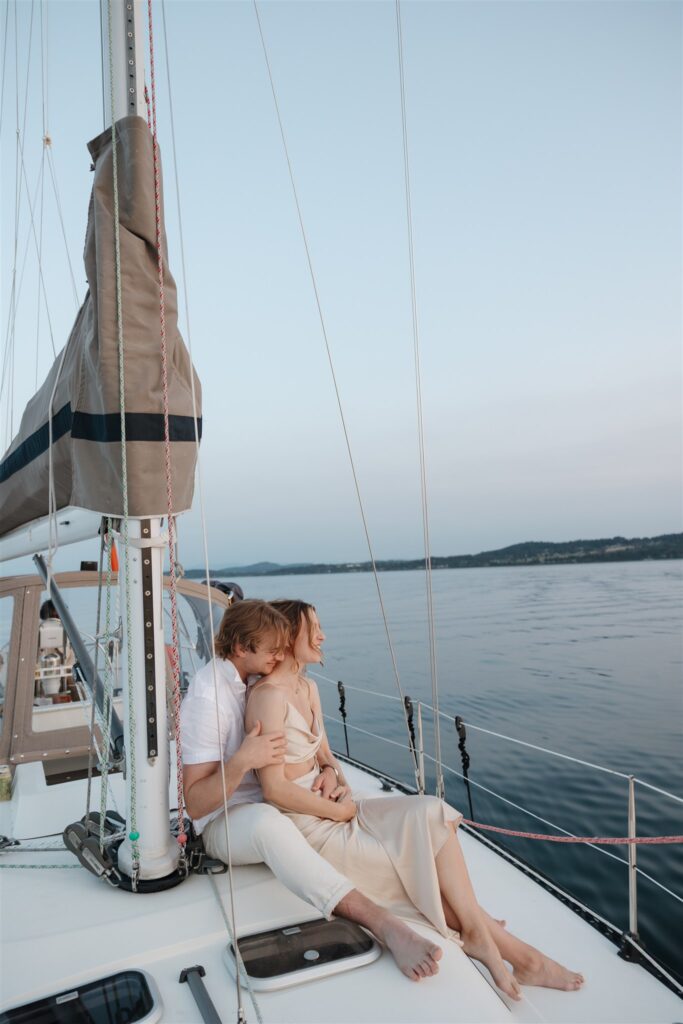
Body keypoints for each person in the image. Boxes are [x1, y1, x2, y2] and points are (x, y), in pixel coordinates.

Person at [247, 599, 585, 1001]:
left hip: (338, 803)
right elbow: (275, 789)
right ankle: (520, 956)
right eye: (313, 628)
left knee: (433, 812)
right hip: (305, 821)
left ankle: (483, 935)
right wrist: (338, 809)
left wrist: (333, 775)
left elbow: (326, 756)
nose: (322, 636)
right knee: (411, 872)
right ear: (288, 635)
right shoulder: (267, 696)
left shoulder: (309, 687)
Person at [180, 599, 443, 982]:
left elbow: (311, 747)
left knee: (395, 815)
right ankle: (384, 924)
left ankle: (459, 918)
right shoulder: (208, 698)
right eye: (272, 650)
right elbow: (195, 802)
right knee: (268, 824)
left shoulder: (254, 680)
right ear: (240, 648)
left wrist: (330, 772)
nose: (279, 656)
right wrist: (240, 761)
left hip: (274, 803)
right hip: (225, 821)